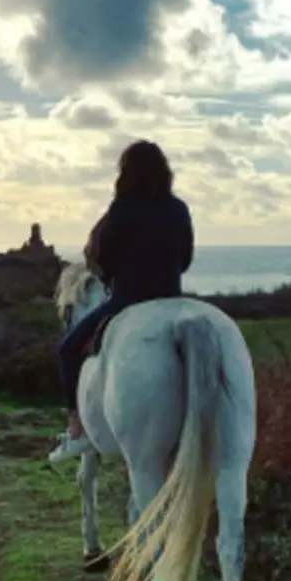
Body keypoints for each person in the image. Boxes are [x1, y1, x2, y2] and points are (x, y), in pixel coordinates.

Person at [48, 140, 194, 463]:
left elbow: (99, 258)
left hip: (128, 300)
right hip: (174, 299)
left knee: (68, 349)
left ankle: (76, 430)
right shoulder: (179, 208)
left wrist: (113, 276)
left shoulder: (121, 209)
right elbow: (185, 259)